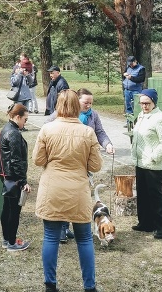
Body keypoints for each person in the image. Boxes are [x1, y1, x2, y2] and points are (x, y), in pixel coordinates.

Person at [33, 89, 103, 292]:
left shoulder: (47, 130)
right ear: (77, 107)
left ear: (58, 106)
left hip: (52, 188)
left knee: (51, 237)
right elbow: (96, 165)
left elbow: (38, 160)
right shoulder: (87, 133)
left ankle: (50, 285)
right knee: (84, 240)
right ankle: (89, 287)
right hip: (78, 191)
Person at [48, 87, 114, 242]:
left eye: (91, 103)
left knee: (77, 198)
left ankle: (67, 227)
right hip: (66, 163)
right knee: (65, 197)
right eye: (86, 103)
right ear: (76, 101)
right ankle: (62, 229)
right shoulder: (64, 114)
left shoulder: (93, 116)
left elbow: (100, 132)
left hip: (84, 164)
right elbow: (47, 125)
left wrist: (108, 144)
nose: (89, 106)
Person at [131, 88, 162, 240]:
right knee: (142, 195)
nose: (144, 106)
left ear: (154, 102)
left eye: (147, 103)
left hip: (154, 164)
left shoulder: (160, 118)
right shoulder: (142, 116)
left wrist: (154, 157)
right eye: (142, 103)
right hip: (141, 162)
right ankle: (146, 223)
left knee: (156, 197)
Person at [0, 103, 31, 252]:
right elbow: (16, 160)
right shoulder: (14, 133)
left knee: (7, 208)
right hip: (13, 177)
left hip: (6, 175)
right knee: (14, 211)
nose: (25, 122)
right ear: (17, 117)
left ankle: (6, 239)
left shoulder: (6, 129)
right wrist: (23, 182)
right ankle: (11, 242)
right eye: (25, 119)